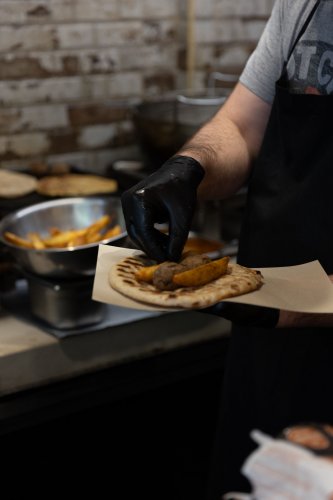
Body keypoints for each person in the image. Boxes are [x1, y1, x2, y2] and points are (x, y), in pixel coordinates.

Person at [121, 0, 333, 496]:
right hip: (272, 345)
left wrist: (306, 309)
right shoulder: (303, 6)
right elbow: (241, 126)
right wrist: (189, 168)